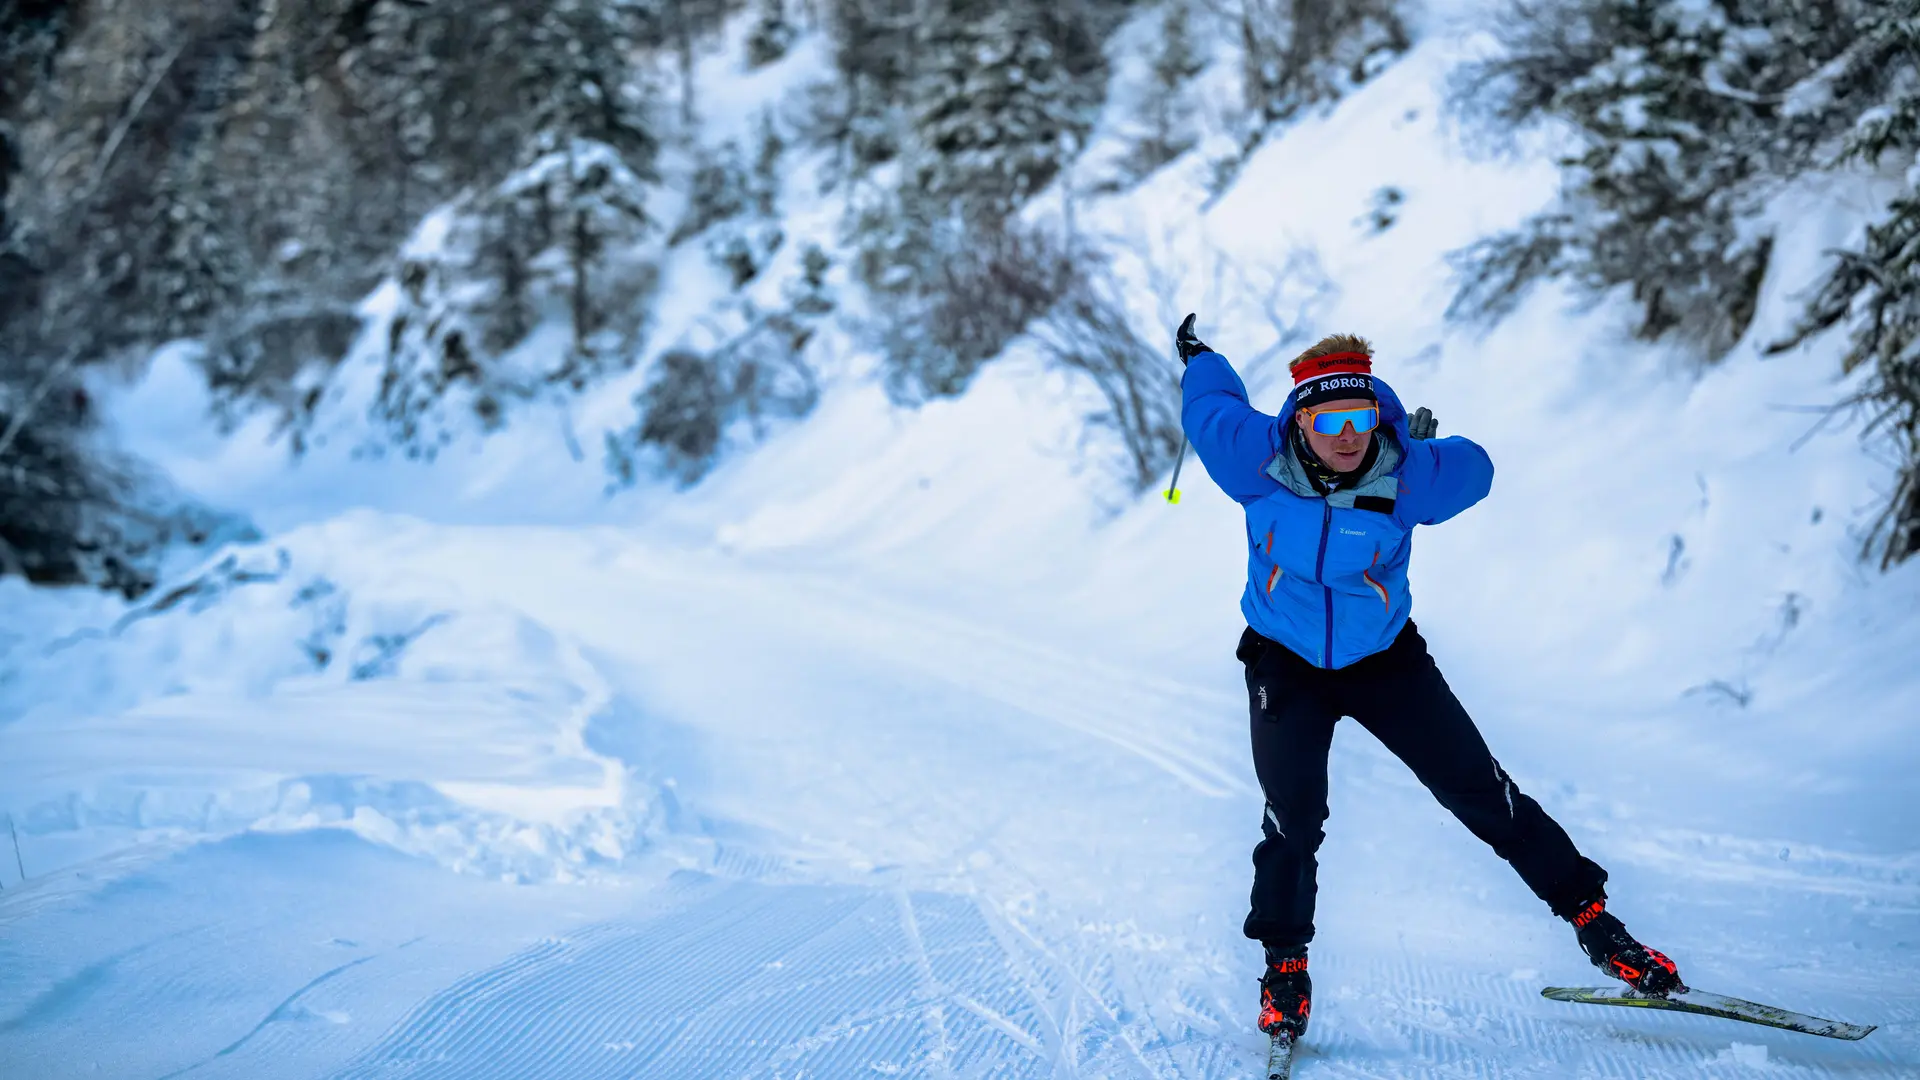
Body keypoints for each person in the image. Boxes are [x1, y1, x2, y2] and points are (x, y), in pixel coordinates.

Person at [1174, 315, 1683, 1042]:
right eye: (1330, 421)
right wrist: (1200, 356)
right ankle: (1285, 969)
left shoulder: (1408, 475)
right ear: (1299, 423)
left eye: (1361, 418)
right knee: (1293, 819)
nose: (1349, 436)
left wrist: (1419, 456)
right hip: (1284, 658)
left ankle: (1599, 925)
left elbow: (1479, 467)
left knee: (1481, 789)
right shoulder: (1250, 459)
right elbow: (1209, 406)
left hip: (1385, 659)